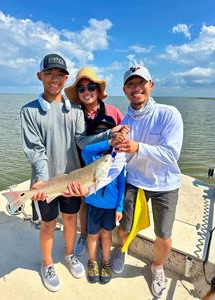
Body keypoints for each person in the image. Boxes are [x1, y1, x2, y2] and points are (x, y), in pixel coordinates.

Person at [106, 65, 183, 298]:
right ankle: (122, 249)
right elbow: (122, 157)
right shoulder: (125, 120)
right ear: (124, 90)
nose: (136, 88)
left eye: (141, 83)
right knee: (125, 226)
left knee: (164, 234)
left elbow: (171, 154)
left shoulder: (169, 114)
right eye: (131, 84)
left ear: (151, 85)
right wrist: (113, 144)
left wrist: (138, 146)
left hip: (165, 185)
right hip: (135, 180)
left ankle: (157, 266)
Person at [20, 54, 95, 292]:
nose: (55, 79)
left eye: (60, 75)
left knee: (71, 219)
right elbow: (35, 150)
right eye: (49, 73)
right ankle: (47, 263)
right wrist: (41, 179)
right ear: (40, 76)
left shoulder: (75, 111)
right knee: (48, 224)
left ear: (66, 79)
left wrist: (109, 136)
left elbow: (82, 141)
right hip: (46, 184)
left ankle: (70, 254)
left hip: (71, 181)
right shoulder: (29, 111)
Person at [64, 66, 123, 256]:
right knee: (84, 203)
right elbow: (79, 142)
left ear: (98, 90)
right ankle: (85, 234)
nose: (86, 92)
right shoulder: (75, 114)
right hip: (83, 165)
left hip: (109, 166)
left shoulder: (113, 112)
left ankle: (106, 241)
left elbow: (124, 133)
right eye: (81, 89)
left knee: (108, 202)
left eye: (90, 87)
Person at [81, 114, 125, 284]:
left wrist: (120, 207)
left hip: (111, 207)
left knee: (106, 235)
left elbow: (122, 184)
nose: (106, 133)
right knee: (92, 235)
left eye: (108, 131)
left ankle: (105, 262)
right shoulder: (91, 157)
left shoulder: (118, 160)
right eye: (101, 132)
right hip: (93, 204)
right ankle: (92, 261)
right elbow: (86, 149)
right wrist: (108, 141)